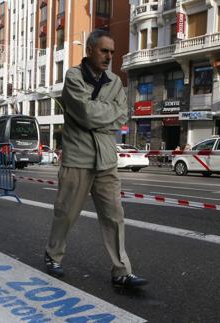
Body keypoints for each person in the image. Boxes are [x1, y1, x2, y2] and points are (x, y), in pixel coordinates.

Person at [44, 30, 148, 288]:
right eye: (104, 51)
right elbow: (87, 115)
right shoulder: (73, 76)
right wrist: (104, 113)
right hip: (77, 157)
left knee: (114, 216)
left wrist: (98, 114)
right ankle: (53, 254)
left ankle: (122, 270)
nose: (109, 56)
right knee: (66, 213)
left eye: (112, 52)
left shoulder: (115, 81)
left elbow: (122, 116)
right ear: (90, 50)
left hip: (106, 159)